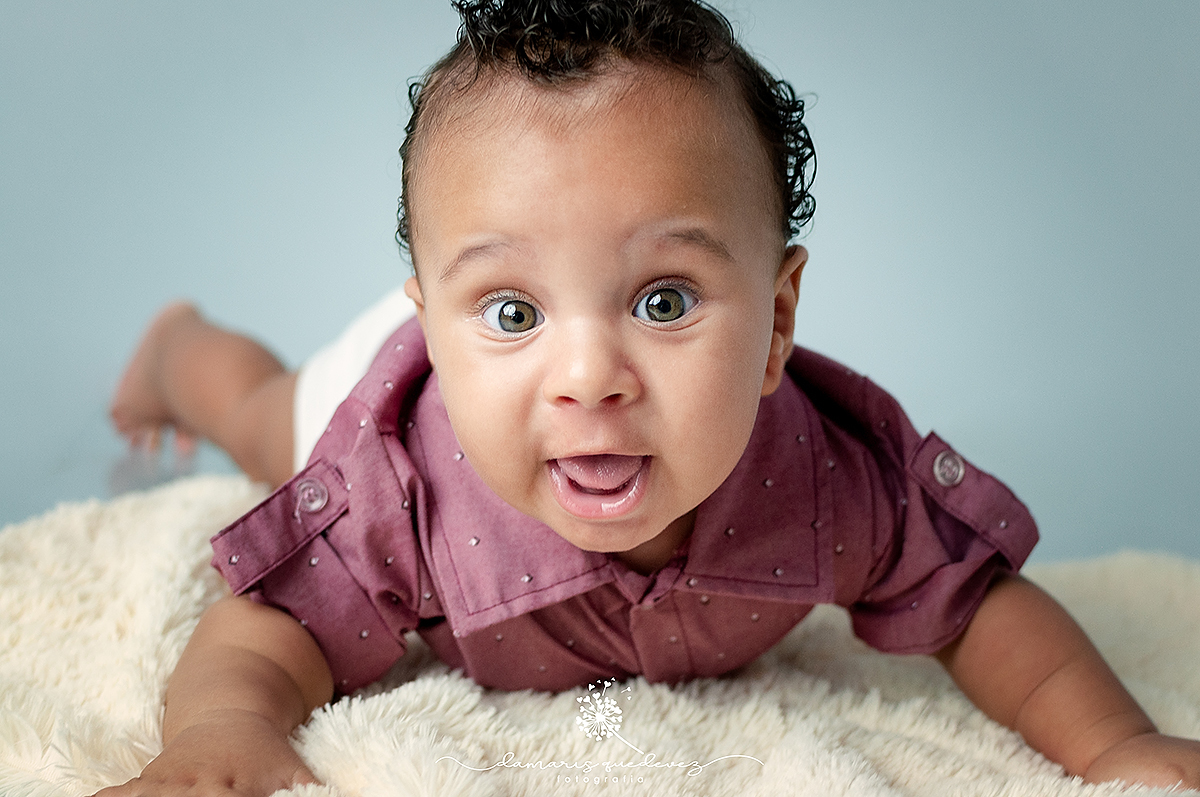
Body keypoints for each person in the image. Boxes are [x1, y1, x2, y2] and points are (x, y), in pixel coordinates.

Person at [101, 1, 1200, 794]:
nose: (589, 376)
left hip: (501, 378)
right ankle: (179, 349)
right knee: (259, 416)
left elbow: (980, 603)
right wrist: (225, 725)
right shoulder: (396, 493)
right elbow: (265, 625)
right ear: (433, 322)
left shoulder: (825, 478)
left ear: (774, 322)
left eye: (665, 299)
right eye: (516, 309)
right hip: (375, 399)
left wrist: (1113, 742)